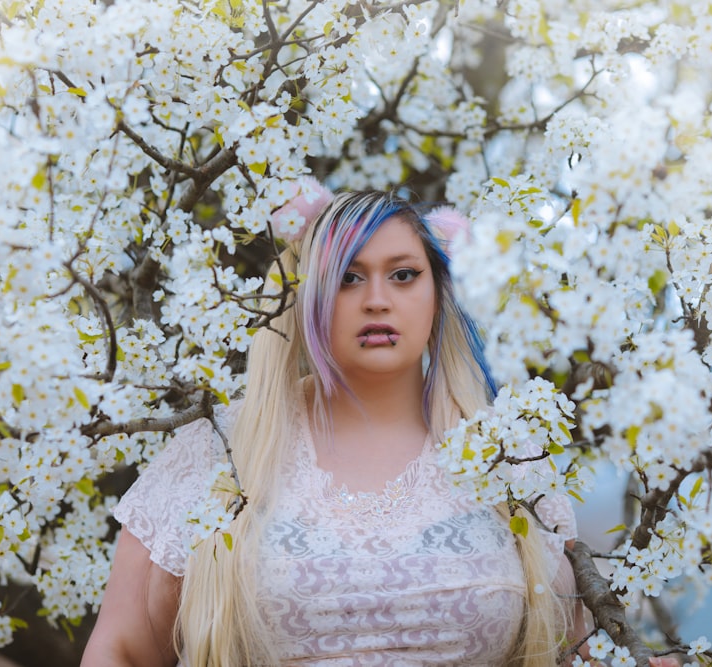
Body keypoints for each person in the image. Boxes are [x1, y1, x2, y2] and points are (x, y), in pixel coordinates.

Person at [81, 186, 666, 666]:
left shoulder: (507, 456)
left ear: (438, 294)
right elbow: (123, 649)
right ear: (305, 294)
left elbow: (564, 651)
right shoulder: (220, 448)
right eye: (348, 277)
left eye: (404, 275)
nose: (377, 300)